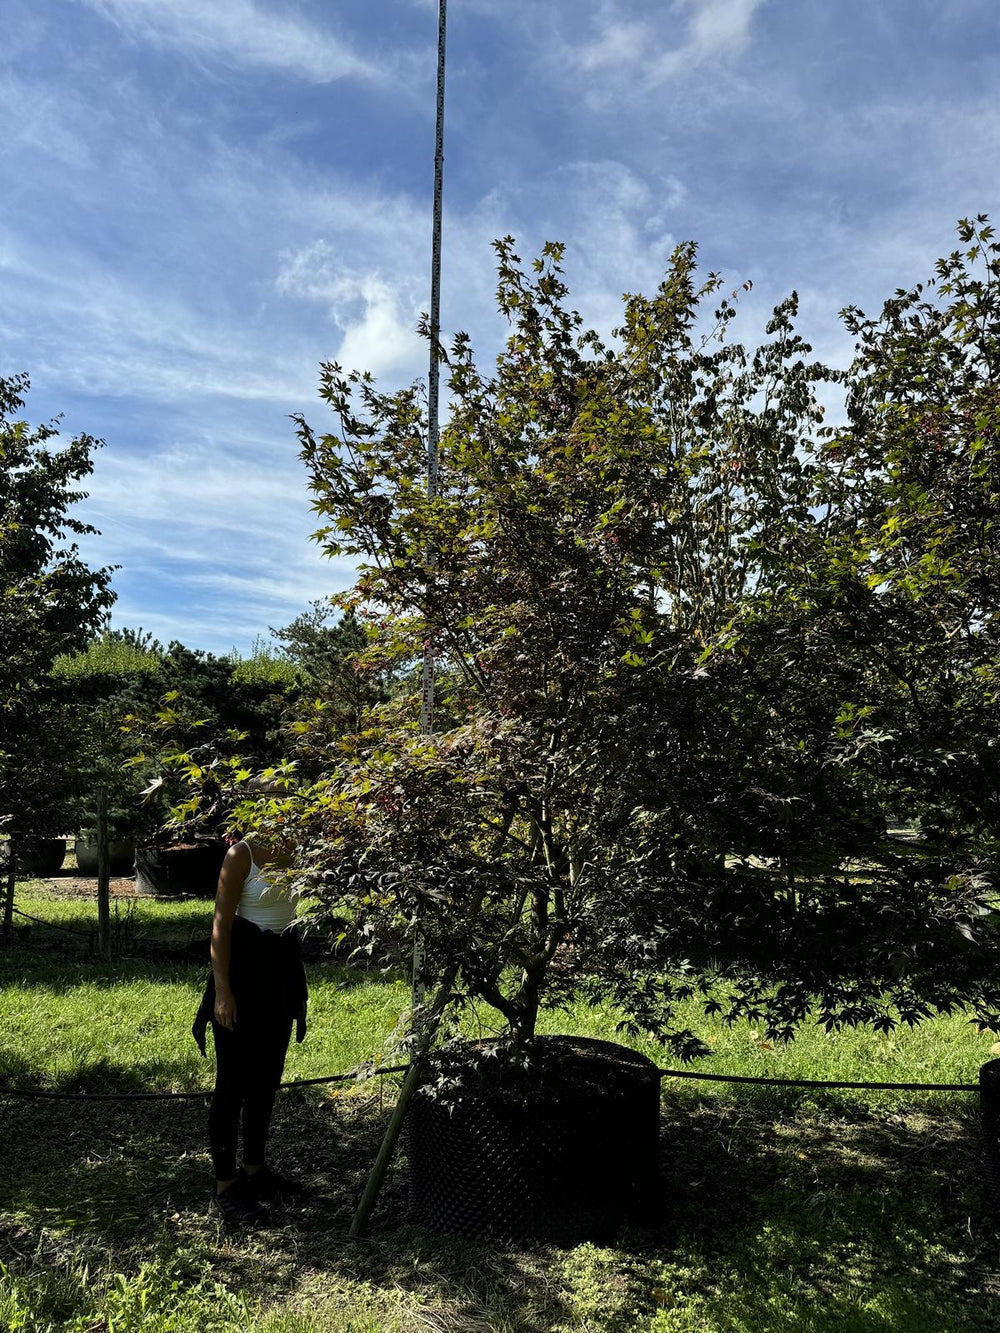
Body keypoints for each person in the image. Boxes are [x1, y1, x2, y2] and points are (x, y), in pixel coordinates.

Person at [192, 817, 308, 1226]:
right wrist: (222, 992)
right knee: (233, 1082)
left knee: (267, 1075)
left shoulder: (300, 846)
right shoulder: (240, 854)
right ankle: (225, 1184)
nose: (282, 810)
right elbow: (220, 928)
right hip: (242, 972)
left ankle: (255, 1169)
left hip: (280, 972)